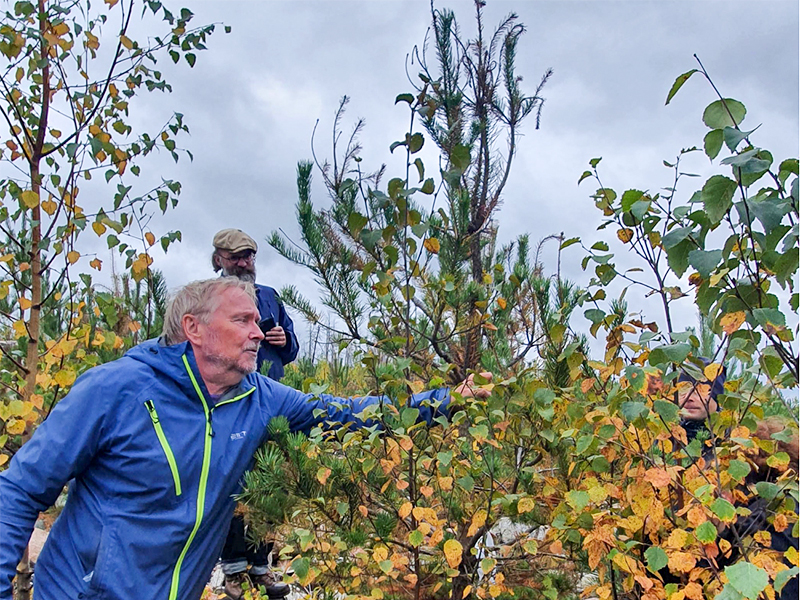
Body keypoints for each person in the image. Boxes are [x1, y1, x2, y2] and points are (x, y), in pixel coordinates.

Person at [0, 278, 489, 600]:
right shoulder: (115, 389)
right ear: (193, 328)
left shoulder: (259, 397)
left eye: (257, 320)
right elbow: (19, 490)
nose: (259, 331)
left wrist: (448, 400)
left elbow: (349, 414)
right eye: (243, 320)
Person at [211, 228, 299, 598]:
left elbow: (291, 349)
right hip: (231, 403)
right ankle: (232, 570)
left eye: (249, 257)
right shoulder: (208, 298)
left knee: (268, 483)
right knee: (232, 485)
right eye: (236, 257)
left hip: (270, 403)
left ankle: (261, 566)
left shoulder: (270, 298)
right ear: (218, 260)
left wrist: (283, 340)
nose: (244, 263)